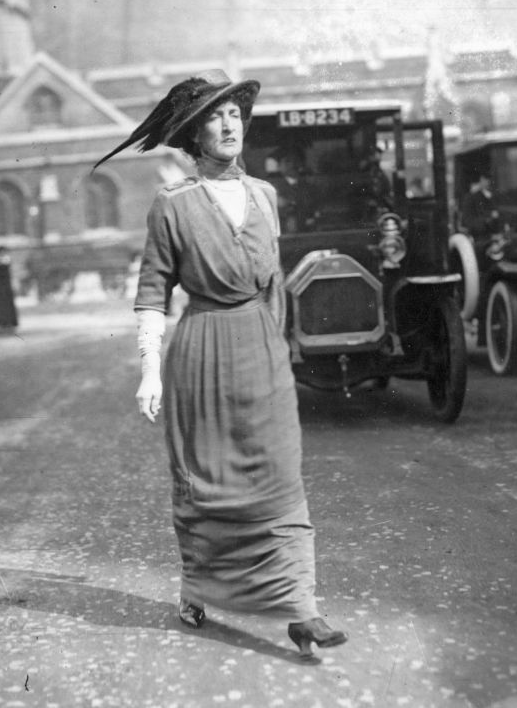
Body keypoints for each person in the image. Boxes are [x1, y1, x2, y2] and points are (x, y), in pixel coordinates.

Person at [92, 70, 347, 659]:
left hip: (261, 347)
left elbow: (275, 282)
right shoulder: (172, 205)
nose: (230, 124)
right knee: (208, 482)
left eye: (235, 113)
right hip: (202, 350)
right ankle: (198, 585)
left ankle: (301, 609)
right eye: (216, 116)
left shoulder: (264, 196)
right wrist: (150, 368)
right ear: (193, 134)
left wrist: (279, 348)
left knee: (282, 474)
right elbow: (154, 290)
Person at [0, 246, 19, 335]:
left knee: (8, 306)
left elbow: (10, 274)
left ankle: (9, 325)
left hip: (6, 287)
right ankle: (0, 325)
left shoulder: (7, 261)